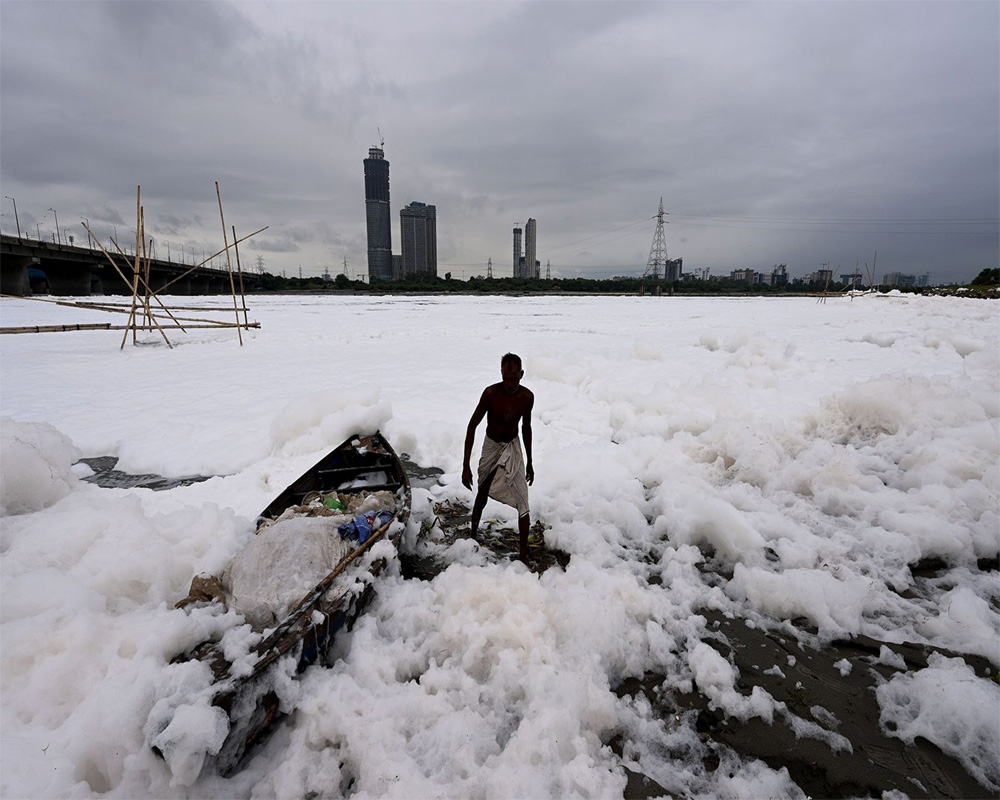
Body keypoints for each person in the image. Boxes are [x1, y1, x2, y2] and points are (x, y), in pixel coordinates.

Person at [462, 353, 535, 563]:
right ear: (501, 374)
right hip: (491, 444)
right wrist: (465, 465)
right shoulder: (491, 394)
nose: (511, 384)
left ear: (521, 374)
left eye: (515, 379)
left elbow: (526, 428)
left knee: (522, 496)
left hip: (513, 444)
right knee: (482, 489)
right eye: (506, 378)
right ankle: (473, 534)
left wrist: (529, 461)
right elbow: (472, 425)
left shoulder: (526, 397)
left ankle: (523, 553)